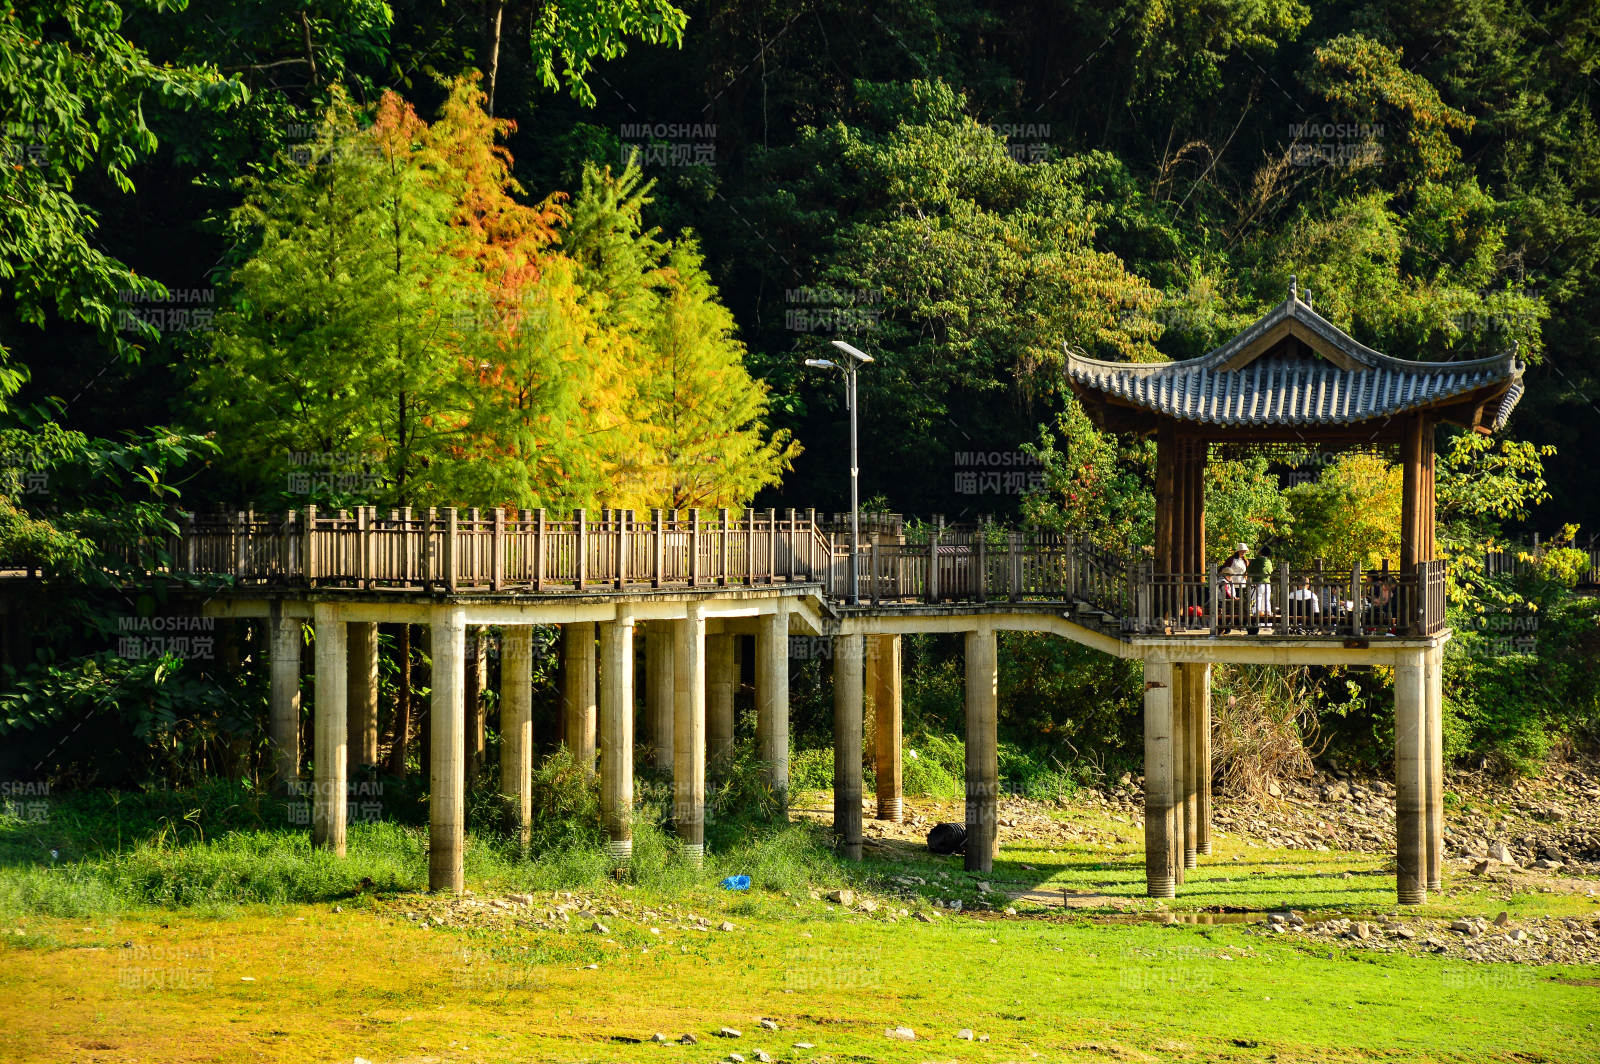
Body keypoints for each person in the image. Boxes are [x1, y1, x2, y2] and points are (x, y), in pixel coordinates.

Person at [1249, 545, 1275, 620]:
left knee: (1257, 599)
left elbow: (1249, 570)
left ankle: (1255, 617)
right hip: (1267, 584)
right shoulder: (1269, 562)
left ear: (1260, 552)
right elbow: (1270, 571)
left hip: (1257, 583)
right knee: (1266, 600)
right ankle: (1268, 616)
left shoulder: (1255, 561)